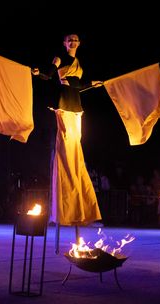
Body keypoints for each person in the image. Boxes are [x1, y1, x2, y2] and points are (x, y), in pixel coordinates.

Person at [32, 33, 103, 235]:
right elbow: (50, 74)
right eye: (69, 39)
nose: (72, 42)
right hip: (64, 107)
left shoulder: (78, 61)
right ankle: (65, 210)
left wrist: (91, 84)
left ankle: (81, 209)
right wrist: (38, 73)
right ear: (64, 43)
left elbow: (76, 86)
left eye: (76, 39)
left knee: (76, 154)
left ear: (79, 43)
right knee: (66, 153)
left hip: (76, 107)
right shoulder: (59, 58)